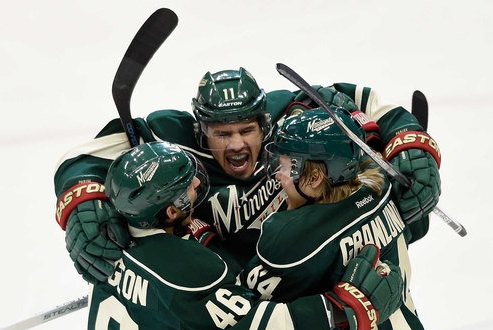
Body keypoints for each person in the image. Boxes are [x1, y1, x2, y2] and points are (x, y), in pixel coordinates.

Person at [54, 66, 442, 285]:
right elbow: (83, 160)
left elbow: (370, 104)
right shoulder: (169, 140)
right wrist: (84, 208)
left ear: (264, 122)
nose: (236, 145)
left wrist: (410, 146)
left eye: (246, 131)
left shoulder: (289, 115)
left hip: (313, 267)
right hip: (231, 287)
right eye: (222, 133)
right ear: (201, 129)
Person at [86, 140, 404, 330]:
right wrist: (338, 306)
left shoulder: (105, 240)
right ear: (169, 212)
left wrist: (202, 244)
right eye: (187, 186)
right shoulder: (190, 273)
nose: (197, 185)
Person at [240, 106, 458, 330]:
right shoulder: (384, 189)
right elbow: (418, 227)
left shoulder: (291, 238)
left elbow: (241, 318)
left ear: (314, 179)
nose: (278, 175)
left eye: (286, 167)